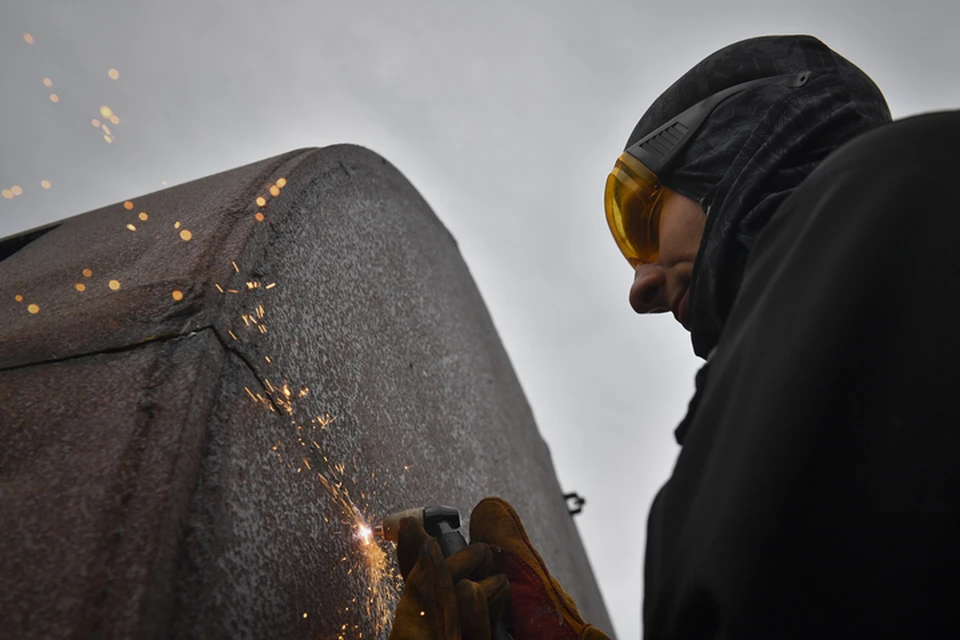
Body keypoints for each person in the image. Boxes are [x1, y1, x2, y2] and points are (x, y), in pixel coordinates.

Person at [388, 34, 960, 639]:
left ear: (734, 140)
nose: (641, 291)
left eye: (643, 218)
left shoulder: (918, 192)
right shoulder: (786, 378)